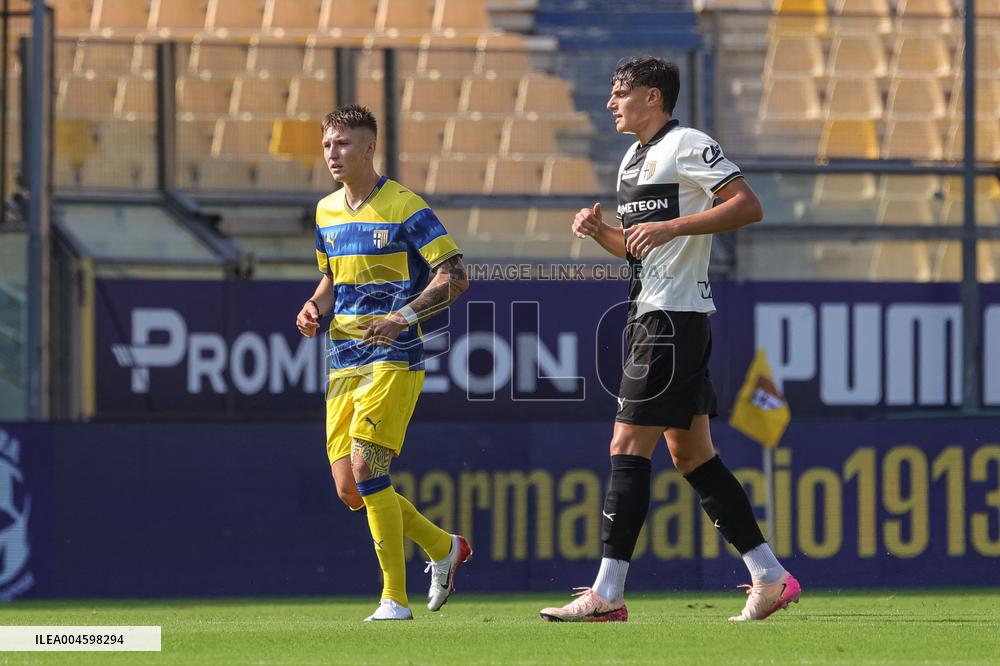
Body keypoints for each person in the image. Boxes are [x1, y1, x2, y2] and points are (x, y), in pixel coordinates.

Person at [539, 57, 800, 623]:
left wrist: (673, 226)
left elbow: (747, 205)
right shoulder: (633, 161)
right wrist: (601, 233)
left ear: (652, 97)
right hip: (652, 313)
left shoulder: (687, 144)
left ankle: (607, 593)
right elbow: (639, 248)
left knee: (627, 446)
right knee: (692, 454)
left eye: (620, 93)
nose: (611, 103)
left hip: (671, 321)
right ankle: (770, 575)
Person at [295, 105, 472, 622]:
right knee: (350, 489)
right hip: (342, 360)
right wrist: (313, 308)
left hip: (394, 356)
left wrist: (402, 316)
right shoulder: (325, 211)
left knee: (368, 468)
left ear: (370, 148)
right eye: (328, 144)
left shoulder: (404, 205)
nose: (333, 153)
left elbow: (455, 276)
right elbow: (331, 281)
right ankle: (443, 547)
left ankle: (393, 598)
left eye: (344, 144)